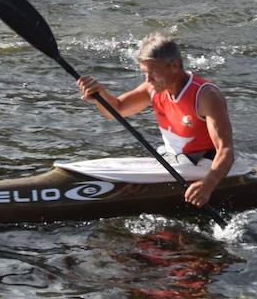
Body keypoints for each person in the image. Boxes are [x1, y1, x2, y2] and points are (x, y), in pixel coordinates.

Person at [76, 33, 234, 206]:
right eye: (145, 73)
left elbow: (226, 151)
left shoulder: (205, 96)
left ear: (174, 65)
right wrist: (100, 95)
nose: (148, 80)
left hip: (205, 166)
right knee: (107, 168)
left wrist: (208, 185)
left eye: (153, 73)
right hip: (173, 160)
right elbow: (116, 110)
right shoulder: (152, 88)